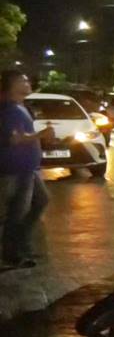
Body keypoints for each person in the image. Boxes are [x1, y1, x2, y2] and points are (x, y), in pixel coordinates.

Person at [0, 70, 55, 268]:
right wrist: (40, 135)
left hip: (28, 169)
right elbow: (14, 138)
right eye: (23, 80)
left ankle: (21, 245)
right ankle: (12, 254)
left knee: (40, 201)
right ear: (12, 84)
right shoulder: (10, 110)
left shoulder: (20, 107)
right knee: (16, 212)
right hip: (16, 170)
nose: (28, 81)